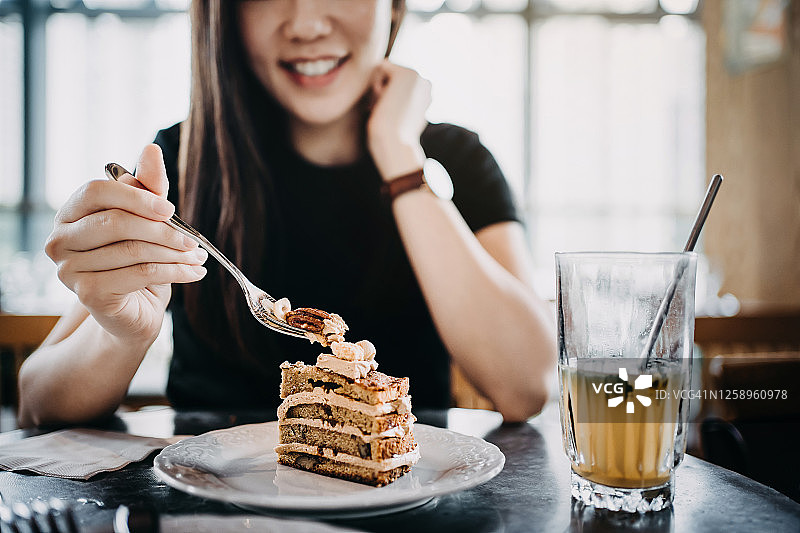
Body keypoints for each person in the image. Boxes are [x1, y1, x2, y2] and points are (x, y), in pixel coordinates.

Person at [18, 0, 555, 427]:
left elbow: (526, 385)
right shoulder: (185, 161)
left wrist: (399, 156)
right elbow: (38, 401)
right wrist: (122, 334)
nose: (305, 23)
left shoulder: (456, 160)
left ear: (394, 6)